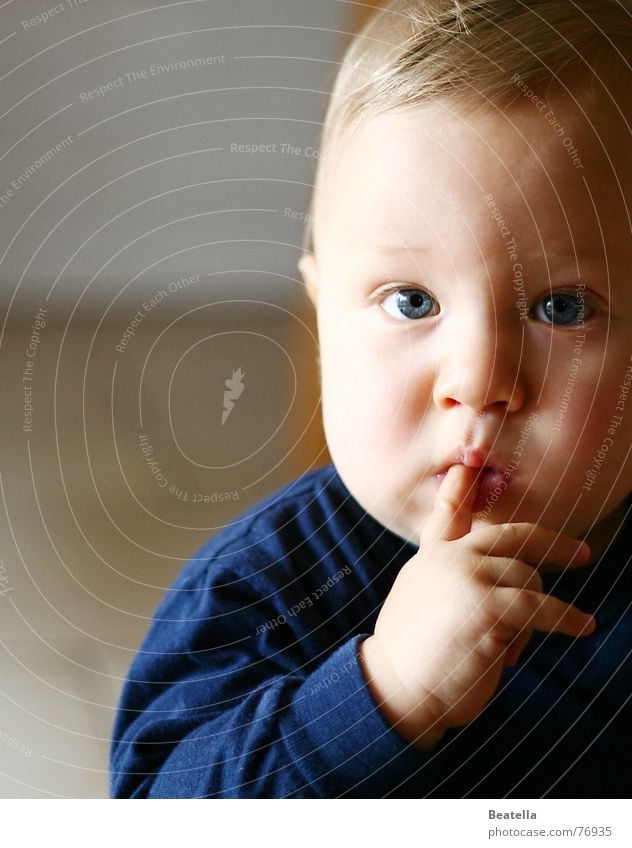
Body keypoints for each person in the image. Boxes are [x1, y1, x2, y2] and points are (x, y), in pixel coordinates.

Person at [109, 0, 632, 797]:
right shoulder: (266, 588)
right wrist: (384, 694)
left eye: (560, 308)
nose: (480, 382)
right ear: (322, 314)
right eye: (412, 302)